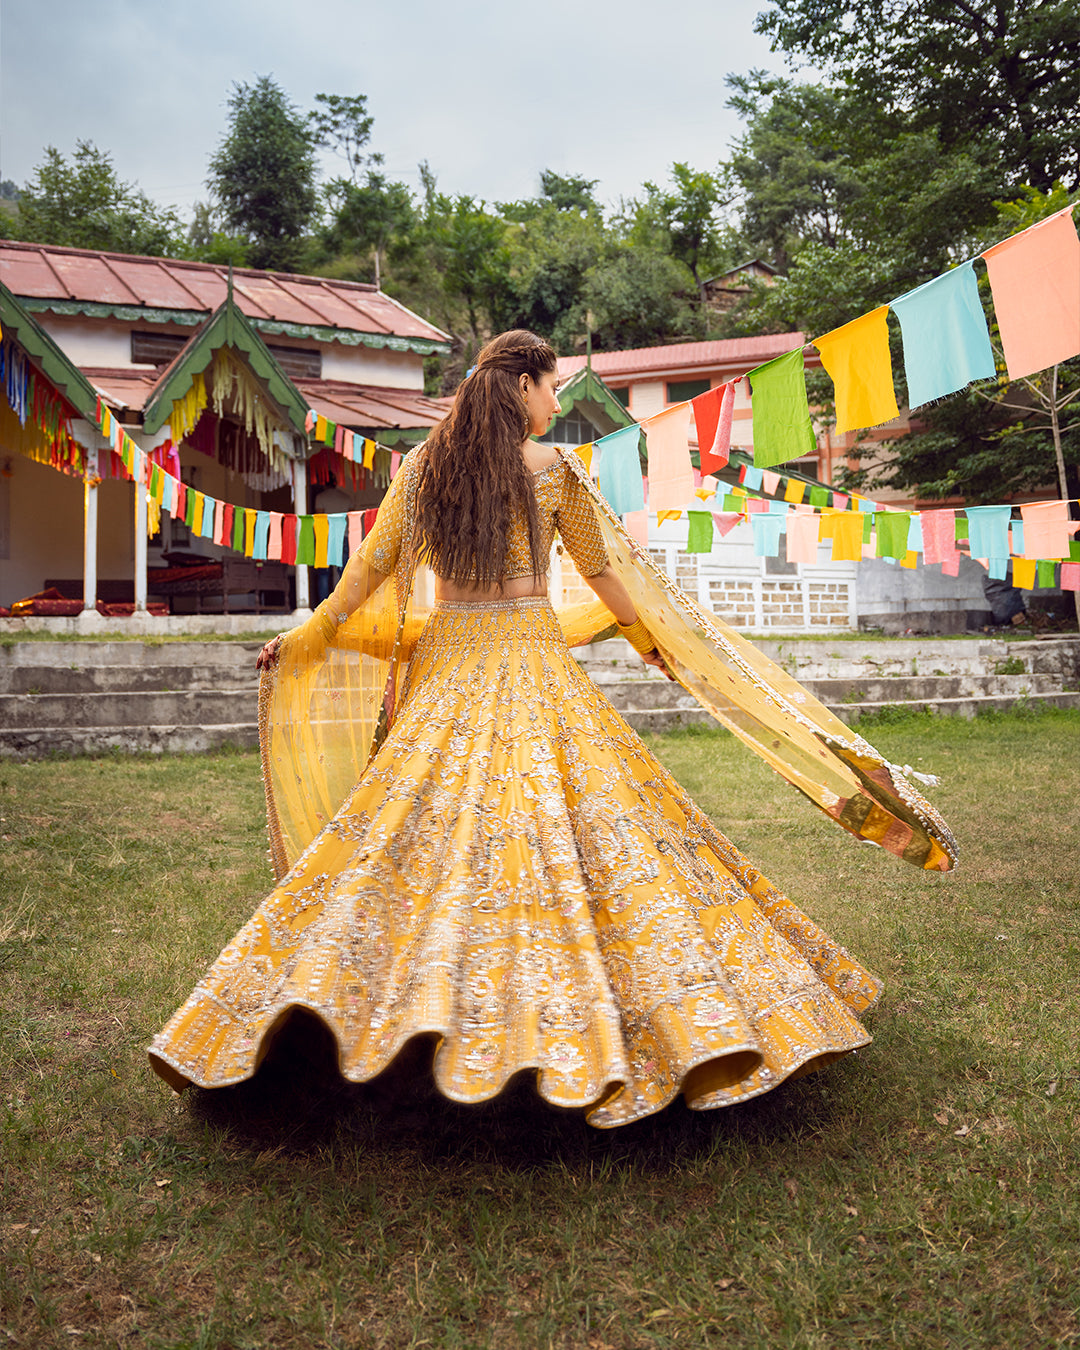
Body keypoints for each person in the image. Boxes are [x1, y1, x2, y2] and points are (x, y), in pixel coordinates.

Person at [149, 331, 954, 1128]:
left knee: (404, 837)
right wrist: (655, 644)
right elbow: (607, 572)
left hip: (454, 673)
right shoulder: (554, 471)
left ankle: (378, 1014)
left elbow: (366, 574)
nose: (559, 400)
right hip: (533, 664)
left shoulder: (423, 470)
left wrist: (306, 636)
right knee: (608, 830)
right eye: (551, 384)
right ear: (521, 385)